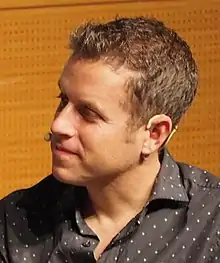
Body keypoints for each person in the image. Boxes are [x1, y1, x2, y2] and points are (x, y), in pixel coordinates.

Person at [0, 16, 220, 263]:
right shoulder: (14, 221)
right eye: (63, 100)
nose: (58, 124)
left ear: (154, 134)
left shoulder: (212, 224)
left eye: (88, 113)